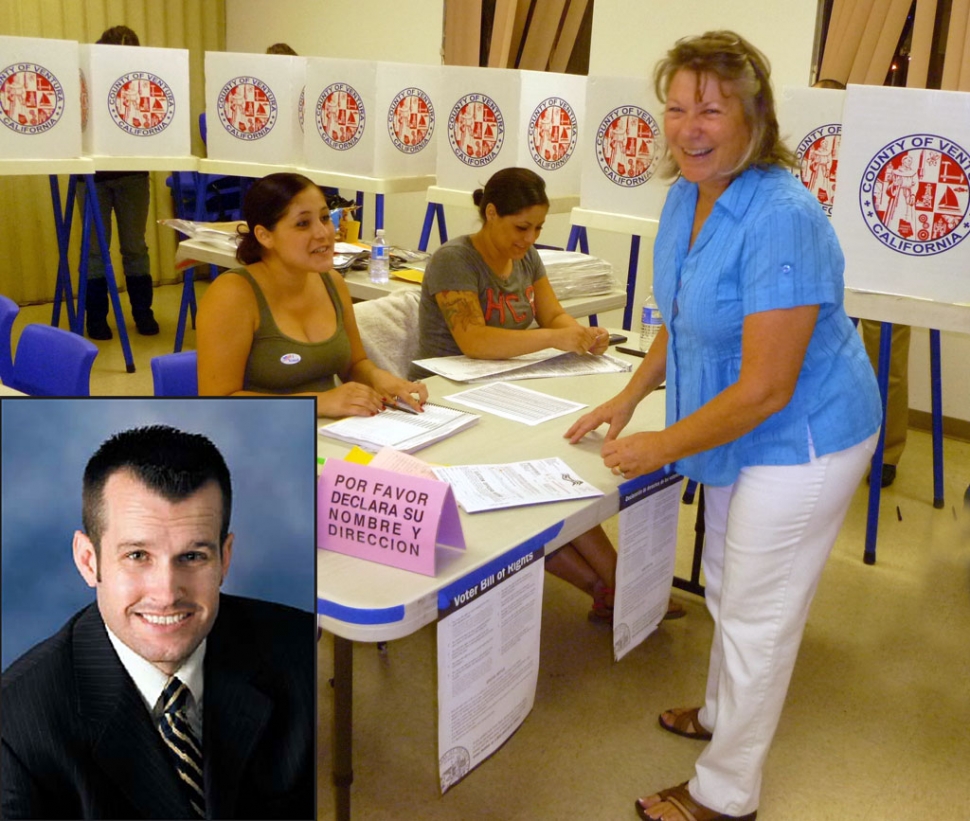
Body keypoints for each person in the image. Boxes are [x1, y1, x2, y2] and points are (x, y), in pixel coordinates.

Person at [565, 31, 881, 820]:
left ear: (754, 117)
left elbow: (770, 387)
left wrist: (658, 447)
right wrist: (633, 393)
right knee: (728, 583)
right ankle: (716, 712)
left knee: (757, 612)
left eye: (711, 109)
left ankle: (727, 791)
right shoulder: (685, 192)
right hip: (733, 421)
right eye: (676, 108)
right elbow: (681, 311)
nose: (689, 127)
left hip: (806, 433)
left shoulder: (782, 214)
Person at [412, 166, 683, 623]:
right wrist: (552, 339)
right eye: (521, 227)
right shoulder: (454, 259)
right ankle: (618, 584)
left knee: (556, 473)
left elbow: (552, 314)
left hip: (506, 389)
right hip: (450, 398)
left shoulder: (526, 257)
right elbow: (474, 341)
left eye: (538, 228)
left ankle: (613, 585)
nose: (530, 238)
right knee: (540, 483)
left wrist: (578, 334)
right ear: (490, 213)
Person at [0, 425, 314, 819]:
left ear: (225, 558)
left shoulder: (302, 652)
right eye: (136, 556)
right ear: (88, 560)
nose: (166, 593)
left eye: (193, 556)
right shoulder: (16, 726)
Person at [196, 172, 427, 416]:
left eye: (325, 218)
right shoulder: (232, 295)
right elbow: (217, 401)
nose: (323, 233)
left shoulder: (332, 282)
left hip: (332, 433)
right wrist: (318, 402)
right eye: (303, 224)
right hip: (258, 438)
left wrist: (380, 378)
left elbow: (354, 364)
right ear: (265, 236)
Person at [82, 26, 158, 340]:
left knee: (134, 247)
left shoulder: (143, 80)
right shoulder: (86, 79)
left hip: (133, 175)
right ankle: (97, 318)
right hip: (94, 176)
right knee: (96, 252)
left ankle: (142, 313)